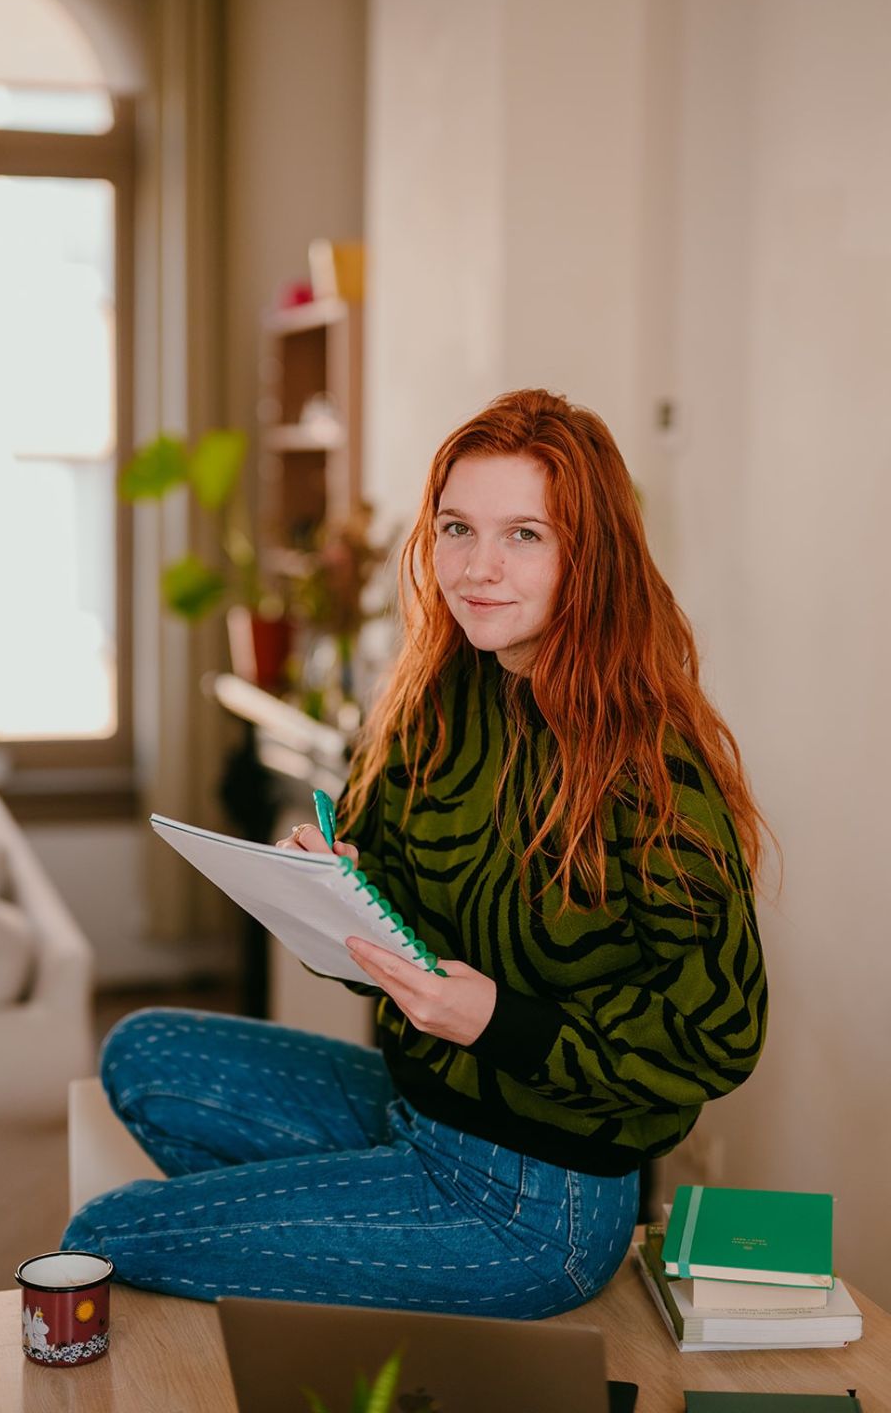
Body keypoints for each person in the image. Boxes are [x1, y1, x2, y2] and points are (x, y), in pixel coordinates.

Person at [63, 388, 768, 1319]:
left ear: (587, 558)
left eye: (525, 535)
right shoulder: (436, 706)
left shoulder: (653, 766)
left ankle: (362, 1268)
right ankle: (349, 1273)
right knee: (143, 1050)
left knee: (105, 1238)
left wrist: (499, 1023)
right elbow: (394, 956)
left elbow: (720, 1035)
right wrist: (333, 890)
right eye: (456, 528)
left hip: (540, 1200)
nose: (478, 568)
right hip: (419, 1110)